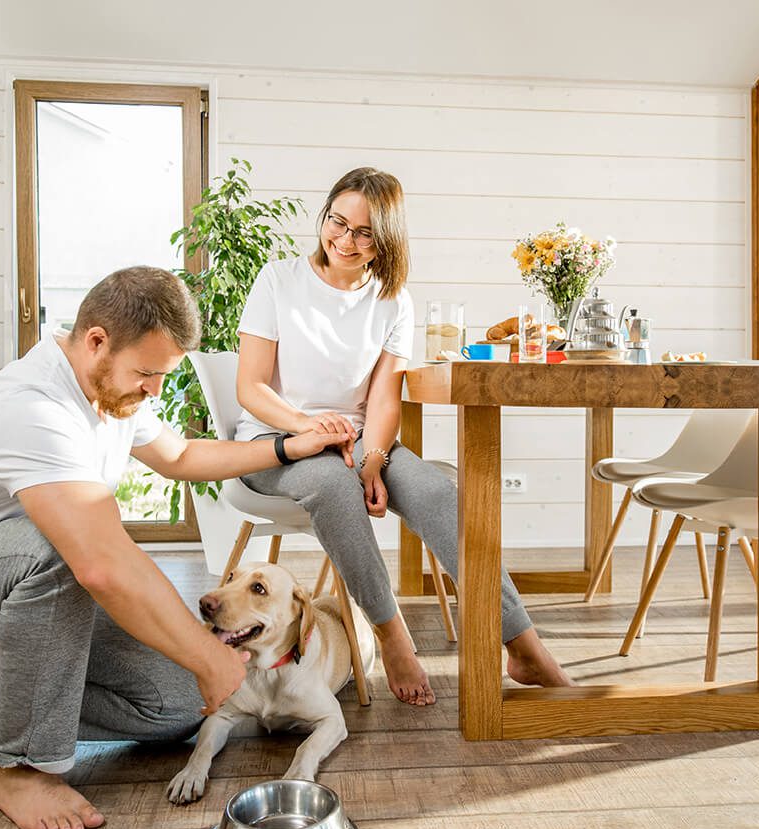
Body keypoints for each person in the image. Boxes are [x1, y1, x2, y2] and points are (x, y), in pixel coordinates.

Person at [0, 267, 348, 829]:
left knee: (179, 704)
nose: (154, 391)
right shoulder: (32, 408)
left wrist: (290, 445)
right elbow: (98, 563)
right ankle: (21, 768)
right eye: (147, 373)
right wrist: (209, 655)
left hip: (12, 608)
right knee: (69, 547)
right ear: (96, 341)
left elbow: (183, 456)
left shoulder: (112, 394)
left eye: (162, 375)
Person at [235, 167, 573, 707]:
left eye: (364, 233)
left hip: (357, 440)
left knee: (439, 493)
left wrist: (373, 459)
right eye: (337, 222)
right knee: (330, 484)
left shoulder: (393, 299)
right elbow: (250, 387)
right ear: (324, 216)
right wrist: (309, 427)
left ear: (386, 240)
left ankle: (524, 644)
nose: (345, 240)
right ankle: (393, 636)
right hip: (276, 440)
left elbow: (385, 396)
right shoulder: (278, 281)